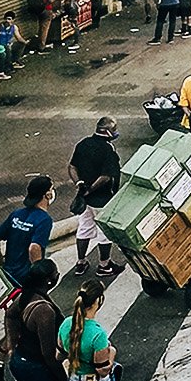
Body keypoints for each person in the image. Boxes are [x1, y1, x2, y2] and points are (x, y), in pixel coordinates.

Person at [68, 117, 126, 278]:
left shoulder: (83, 144)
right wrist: (91, 189)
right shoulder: (108, 150)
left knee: (84, 228)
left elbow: (72, 167)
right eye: (114, 130)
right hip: (102, 199)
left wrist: (79, 184)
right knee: (104, 232)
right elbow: (106, 176)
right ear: (106, 131)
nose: (115, 133)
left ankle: (81, 262)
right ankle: (104, 265)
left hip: (84, 199)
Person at [0, 259, 66, 381]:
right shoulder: (44, 311)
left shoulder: (26, 295)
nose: (58, 276)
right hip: (37, 370)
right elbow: (48, 354)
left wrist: (11, 345)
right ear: (49, 280)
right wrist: (62, 377)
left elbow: (10, 316)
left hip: (19, 360)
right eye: (56, 274)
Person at [0, 175, 54, 286]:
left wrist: (1, 262)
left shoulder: (16, 214)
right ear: (47, 195)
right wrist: (37, 277)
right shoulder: (44, 220)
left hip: (8, 275)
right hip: (25, 278)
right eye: (52, 189)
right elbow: (34, 248)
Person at [59, 279, 118, 381]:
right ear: (98, 300)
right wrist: (112, 352)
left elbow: (59, 355)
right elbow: (103, 370)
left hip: (73, 379)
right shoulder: (98, 335)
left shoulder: (66, 323)